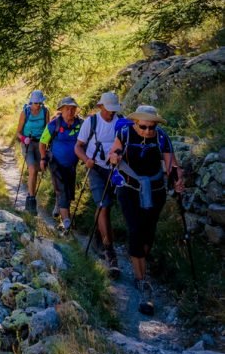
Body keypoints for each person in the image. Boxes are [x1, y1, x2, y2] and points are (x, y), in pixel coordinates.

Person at [108, 105, 184, 315]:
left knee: (148, 233)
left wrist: (178, 180)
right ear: (135, 122)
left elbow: (171, 165)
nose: (149, 131)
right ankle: (141, 278)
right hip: (129, 189)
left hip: (155, 191)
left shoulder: (161, 137)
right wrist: (114, 157)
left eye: (152, 127)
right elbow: (113, 152)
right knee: (135, 230)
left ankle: (141, 260)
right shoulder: (125, 132)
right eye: (144, 127)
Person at [74, 91, 123, 278]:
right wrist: (86, 159)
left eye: (113, 110)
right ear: (101, 106)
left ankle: (97, 239)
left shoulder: (121, 122)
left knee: (106, 207)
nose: (111, 113)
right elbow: (78, 146)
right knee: (103, 205)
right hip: (95, 168)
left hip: (115, 170)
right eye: (108, 109)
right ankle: (110, 252)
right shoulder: (91, 122)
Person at [39, 97, 83, 235]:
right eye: (67, 109)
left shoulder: (81, 124)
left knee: (69, 191)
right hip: (56, 163)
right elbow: (42, 142)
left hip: (72, 164)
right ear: (61, 110)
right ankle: (66, 222)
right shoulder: (53, 125)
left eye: (73, 109)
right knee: (63, 190)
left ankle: (61, 208)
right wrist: (42, 158)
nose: (70, 111)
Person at [16, 90, 49, 215]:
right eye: (36, 103)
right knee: (33, 169)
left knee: (41, 169)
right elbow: (18, 132)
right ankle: (31, 200)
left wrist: (46, 143)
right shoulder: (25, 112)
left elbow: (48, 129)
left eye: (40, 103)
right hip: (28, 144)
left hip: (41, 143)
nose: (38, 106)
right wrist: (24, 138)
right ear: (31, 102)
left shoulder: (45, 112)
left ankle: (34, 197)